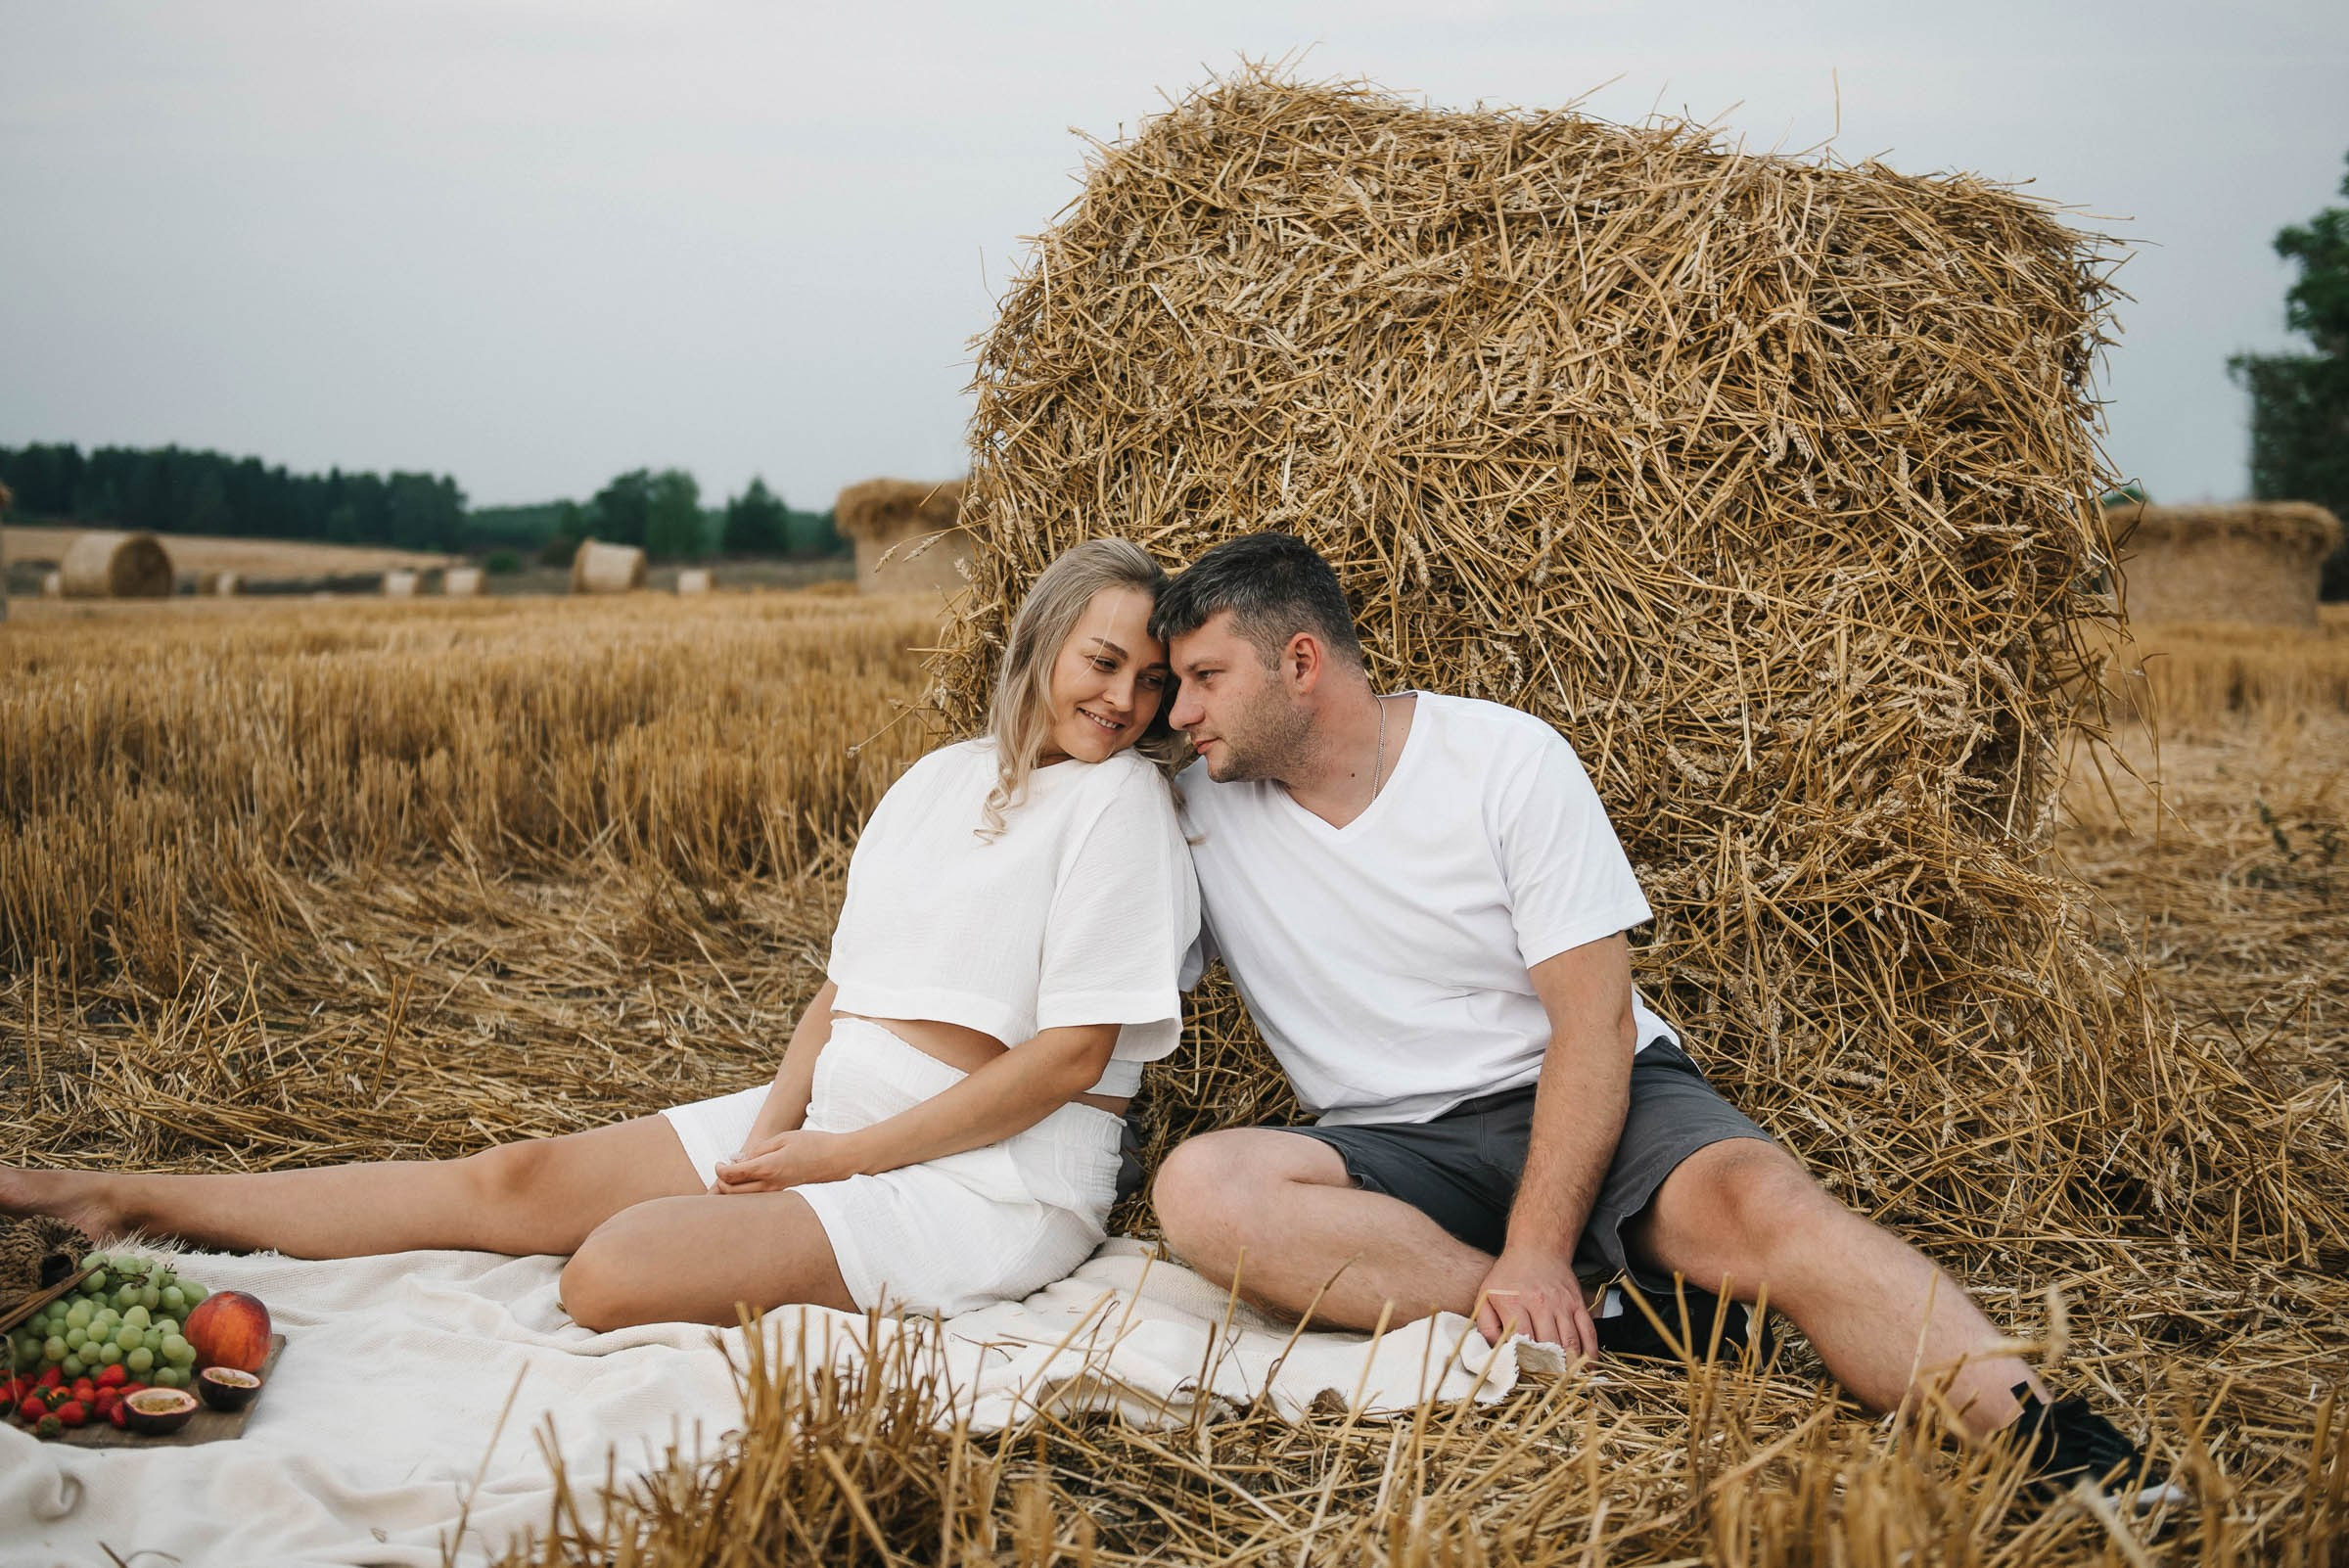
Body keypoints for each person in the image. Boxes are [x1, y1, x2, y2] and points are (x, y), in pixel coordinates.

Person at [1142, 530, 2171, 1504]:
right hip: (1397, 1147)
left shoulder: (1503, 759)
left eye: (1204, 679)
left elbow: (1593, 1027)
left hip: (1594, 1096)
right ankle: (1620, 1322)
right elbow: (1091, 985)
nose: (1177, 712)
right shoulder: (1193, 820)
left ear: (1303, 662)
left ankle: (2043, 1435)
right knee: (1205, 1189)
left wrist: (1540, 1244)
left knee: (1776, 1216)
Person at [1, 539, 1200, 1330]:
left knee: (611, 1269)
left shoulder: (1121, 803)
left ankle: (745, 1222)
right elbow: (846, 990)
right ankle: (123, 1195)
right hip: (840, 1116)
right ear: (1040, 642)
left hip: (994, 1175)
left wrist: (840, 1161)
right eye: (1104, 662)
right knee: (512, 1182)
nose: (1124, 702)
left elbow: (1069, 1060)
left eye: (1151, 684)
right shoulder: (937, 779)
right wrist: (782, 1126)